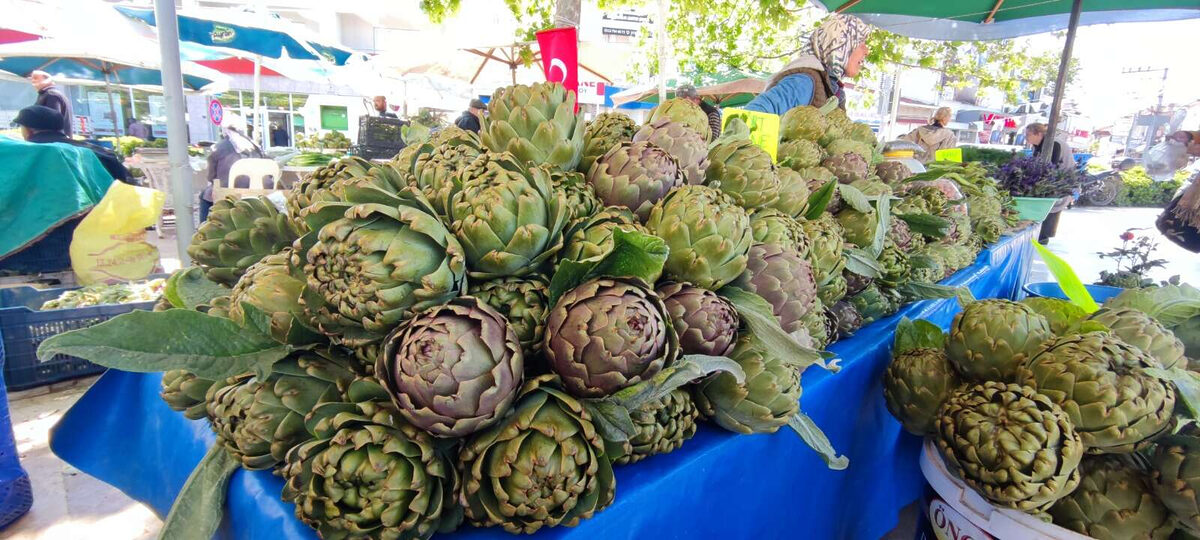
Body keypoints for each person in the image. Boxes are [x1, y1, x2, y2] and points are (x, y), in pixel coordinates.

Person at [743, 14, 872, 114]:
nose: (867, 51)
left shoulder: (831, 86)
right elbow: (752, 114)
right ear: (840, 44)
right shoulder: (804, 82)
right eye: (861, 43)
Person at [13, 105, 131, 184]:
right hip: (105, 216)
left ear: (28, 130)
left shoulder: (23, 155)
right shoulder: (98, 152)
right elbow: (128, 184)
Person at [202, 115, 265, 222]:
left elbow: (211, 177)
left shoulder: (218, 147)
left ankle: (204, 229)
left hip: (228, 193)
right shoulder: (255, 146)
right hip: (260, 191)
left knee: (205, 194)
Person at [29, 70, 73, 136]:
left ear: (47, 79)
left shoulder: (51, 94)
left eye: (35, 78)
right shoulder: (48, 94)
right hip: (54, 141)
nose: (32, 81)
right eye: (31, 78)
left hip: (54, 142)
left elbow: (53, 121)